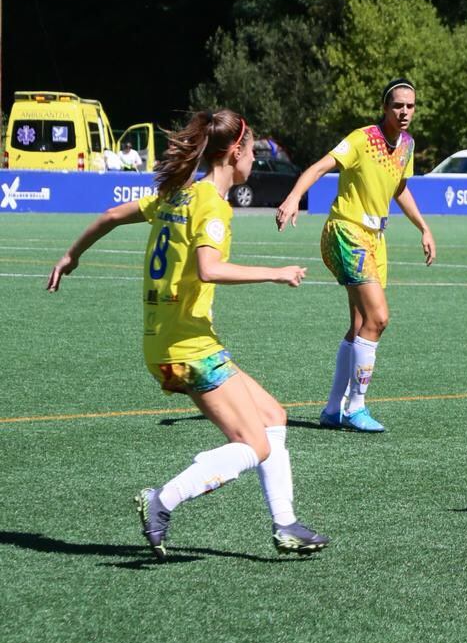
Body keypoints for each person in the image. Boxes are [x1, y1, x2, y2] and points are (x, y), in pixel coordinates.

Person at [47, 109, 329, 559]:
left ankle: (286, 524)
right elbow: (209, 268)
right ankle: (163, 499)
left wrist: (70, 255)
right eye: (252, 150)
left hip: (177, 341)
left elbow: (111, 214)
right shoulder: (211, 204)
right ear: (235, 152)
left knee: (273, 417)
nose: (254, 160)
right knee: (253, 443)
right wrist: (277, 273)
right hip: (187, 348)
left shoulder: (178, 193)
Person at [276, 77, 436, 433]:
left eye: (410, 105)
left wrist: (423, 228)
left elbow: (400, 189)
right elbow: (320, 166)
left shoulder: (407, 145)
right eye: (398, 105)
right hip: (346, 231)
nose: (405, 111)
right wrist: (292, 198)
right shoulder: (362, 138)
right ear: (385, 108)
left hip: (376, 239)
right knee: (378, 318)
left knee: (360, 325)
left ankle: (334, 409)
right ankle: (356, 407)